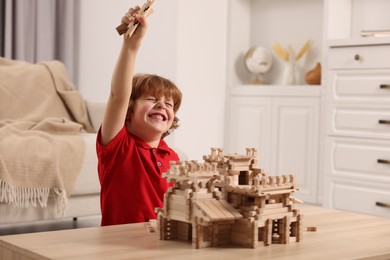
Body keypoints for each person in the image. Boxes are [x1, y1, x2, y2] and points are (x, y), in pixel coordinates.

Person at [96, 5, 183, 226]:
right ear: (129, 110)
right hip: (120, 246)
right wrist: (131, 45)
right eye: (152, 100)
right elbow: (118, 96)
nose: (162, 105)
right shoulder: (119, 147)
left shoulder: (172, 157)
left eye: (169, 104)